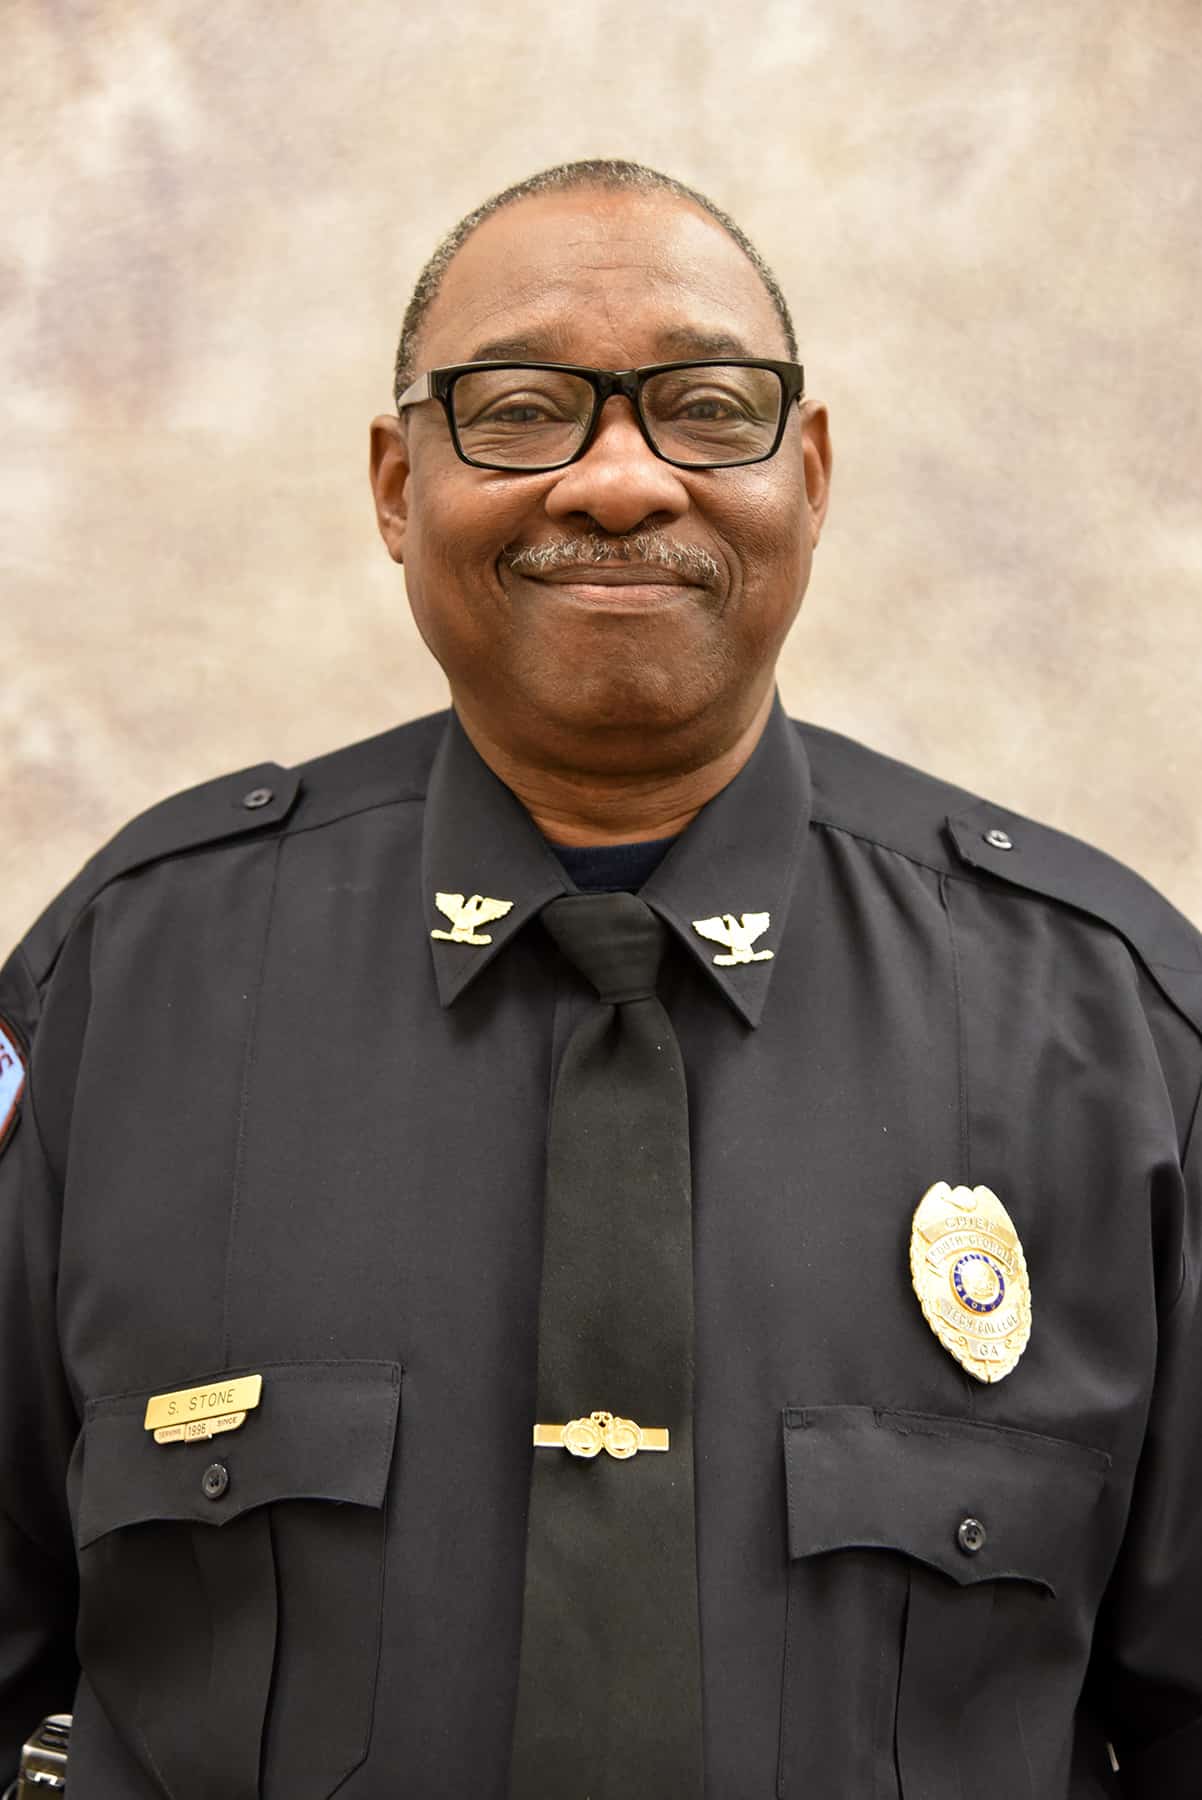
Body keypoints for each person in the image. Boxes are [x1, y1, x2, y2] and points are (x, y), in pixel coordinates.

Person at [0, 157, 1199, 1800]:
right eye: (520, 408)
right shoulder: (117, 995)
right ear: (392, 482)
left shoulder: (1112, 1029)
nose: (621, 482)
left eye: (707, 408)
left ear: (812, 471)